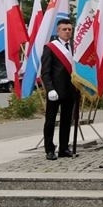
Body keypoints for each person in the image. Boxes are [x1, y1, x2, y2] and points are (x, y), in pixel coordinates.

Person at [40, 18, 79, 160]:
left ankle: (64, 148)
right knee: (50, 121)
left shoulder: (75, 47)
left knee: (66, 121)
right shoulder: (50, 47)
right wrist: (49, 89)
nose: (67, 32)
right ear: (58, 31)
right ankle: (49, 149)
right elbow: (45, 71)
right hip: (55, 91)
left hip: (71, 90)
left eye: (69, 29)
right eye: (64, 29)